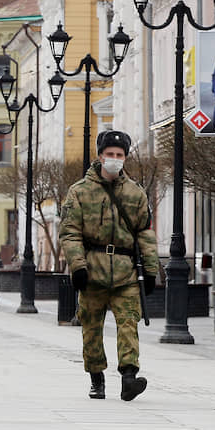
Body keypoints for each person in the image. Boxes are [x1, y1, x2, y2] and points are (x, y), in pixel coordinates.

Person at [59, 130, 159, 402]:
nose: (114, 159)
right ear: (100, 155)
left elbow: (145, 233)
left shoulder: (135, 193)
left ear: (125, 157)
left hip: (126, 273)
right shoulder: (79, 191)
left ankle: (129, 377)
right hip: (92, 273)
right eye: (110, 154)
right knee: (91, 329)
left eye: (120, 155)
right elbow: (70, 233)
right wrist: (78, 267)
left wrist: (150, 270)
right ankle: (96, 377)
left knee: (129, 324)